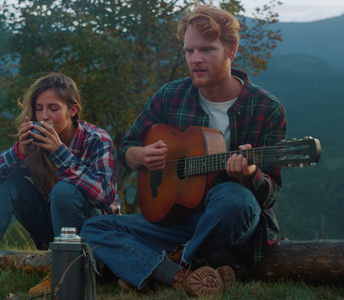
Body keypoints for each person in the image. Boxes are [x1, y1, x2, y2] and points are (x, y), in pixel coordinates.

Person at [80, 4, 287, 298]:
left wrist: (251, 174)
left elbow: (270, 195)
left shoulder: (267, 110)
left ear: (232, 49)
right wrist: (139, 156)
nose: (196, 60)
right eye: (189, 51)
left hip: (228, 224)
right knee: (93, 228)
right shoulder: (170, 95)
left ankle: (171, 262)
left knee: (234, 198)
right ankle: (180, 276)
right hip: (175, 222)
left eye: (206, 50)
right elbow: (126, 148)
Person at [0, 73, 120, 298]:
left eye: (53, 108)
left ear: (73, 110)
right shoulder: (34, 142)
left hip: (96, 234)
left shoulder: (97, 139)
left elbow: (106, 198)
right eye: (39, 108)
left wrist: (60, 153)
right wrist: (18, 152)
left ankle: (64, 272)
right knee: (8, 184)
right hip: (57, 231)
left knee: (64, 189)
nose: (44, 116)